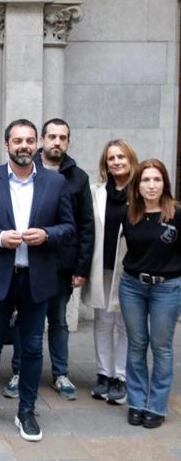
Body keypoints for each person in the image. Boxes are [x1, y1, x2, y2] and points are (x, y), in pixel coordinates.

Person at [0, 118, 74, 442]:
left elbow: (69, 227)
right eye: (17, 140)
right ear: (7, 144)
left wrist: (47, 234)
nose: (23, 146)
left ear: (36, 144)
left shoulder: (55, 183)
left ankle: (26, 411)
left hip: (36, 280)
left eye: (29, 140)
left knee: (34, 348)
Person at [3, 118, 94, 401]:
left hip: (61, 264)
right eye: (52, 136)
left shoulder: (78, 177)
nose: (57, 142)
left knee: (58, 320)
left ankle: (60, 373)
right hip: (27, 262)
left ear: (68, 141)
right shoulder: (27, 169)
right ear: (41, 140)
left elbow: (85, 225)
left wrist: (81, 267)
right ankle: (19, 371)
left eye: (63, 137)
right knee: (24, 320)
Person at [117, 159, 181, 429]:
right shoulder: (130, 212)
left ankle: (156, 406)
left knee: (162, 347)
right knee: (136, 344)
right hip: (132, 286)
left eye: (157, 179)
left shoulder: (176, 213)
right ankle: (136, 401)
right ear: (138, 185)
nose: (151, 185)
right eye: (146, 180)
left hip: (166, 288)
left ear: (165, 183)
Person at [82, 140, 139, 404]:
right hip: (101, 266)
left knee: (125, 325)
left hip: (130, 268)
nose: (115, 162)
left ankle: (121, 377)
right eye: (110, 158)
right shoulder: (97, 192)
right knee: (103, 323)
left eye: (120, 157)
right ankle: (103, 374)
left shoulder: (139, 191)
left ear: (130, 159)